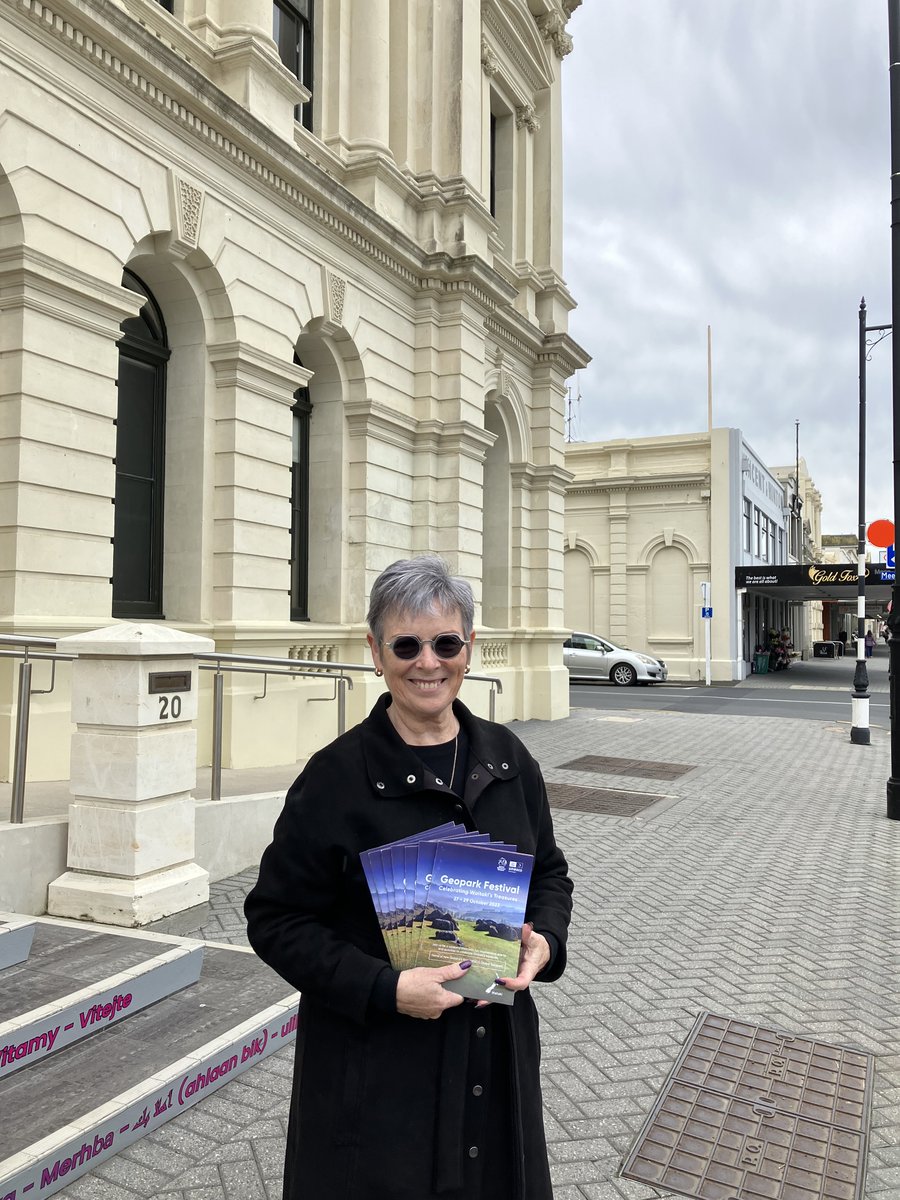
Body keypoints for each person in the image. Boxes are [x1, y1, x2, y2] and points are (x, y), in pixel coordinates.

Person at [245, 555, 573, 1200]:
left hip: (493, 1057)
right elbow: (276, 919)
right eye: (406, 643)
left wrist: (547, 942)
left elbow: (551, 875)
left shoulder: (509, 760)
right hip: (378, 1081)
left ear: (469, 648)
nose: (428, 662)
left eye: (446, 642)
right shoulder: (335, 779)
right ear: (375, 652)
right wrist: (384, 986)